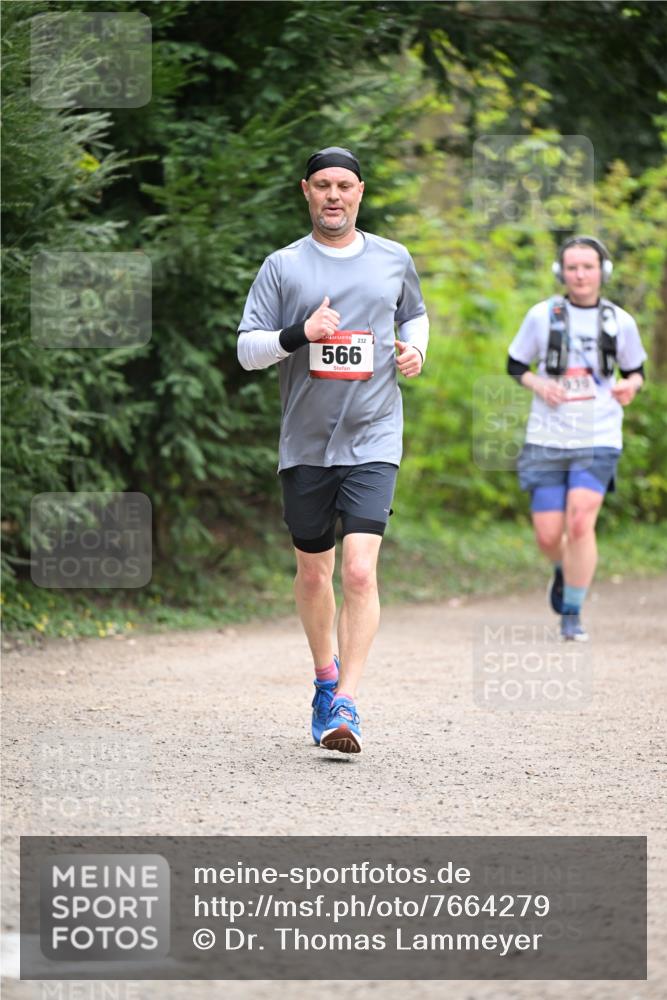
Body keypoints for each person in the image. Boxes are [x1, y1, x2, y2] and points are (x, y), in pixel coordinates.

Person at [237, 146, 428, 753]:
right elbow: (247, 349)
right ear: (306, 191)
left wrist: (415, 352)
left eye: (344, 185)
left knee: (359, 569)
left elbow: (415, 315)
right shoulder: (283, 267)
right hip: (306, 444)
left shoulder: (392, 258)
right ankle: (324, 680)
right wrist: (301, 334)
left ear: (360, 192)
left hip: (374, 435)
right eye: (323, 185)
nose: (333, 195)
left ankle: (346, 700)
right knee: (315, 575)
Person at [507, 235, 646, 641]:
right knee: (549, 534)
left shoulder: (620, 321)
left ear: (602, 272)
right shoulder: (541, 315)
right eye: (572, 267)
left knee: (581, 521)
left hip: (599, 434)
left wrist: (630, 387)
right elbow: (515, 363)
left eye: (588, 267)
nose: (580, 275)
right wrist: (539, 385)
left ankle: (572, 612)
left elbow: (636, 370)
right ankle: (562, 568)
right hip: (547, 436)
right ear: (561, 272)